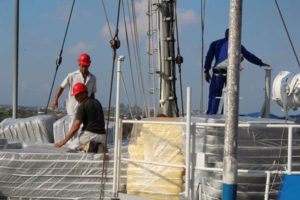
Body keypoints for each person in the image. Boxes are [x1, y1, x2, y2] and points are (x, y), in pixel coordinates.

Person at [204, 29, 270, 115]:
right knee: (230, 95)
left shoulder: (215, 44)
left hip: (219, 69)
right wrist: (260, 63)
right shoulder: (237, 45)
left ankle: (211, 115)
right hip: (232, 71)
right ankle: (226, 115)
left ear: (225, 34)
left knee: (215, 94)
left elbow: (209, 58)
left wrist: (206, 71)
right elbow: (248, 56)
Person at [54, 82, 106, 152]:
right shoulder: (97, 102)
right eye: (75, 95)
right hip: (103, 136)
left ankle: (90, 147)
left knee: (71, 147)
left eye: (78, 95)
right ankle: (96, 147)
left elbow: (76, 126)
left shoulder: (82, 105)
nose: (76, 97)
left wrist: (64, 141)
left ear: (84, 93)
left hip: (89, 135)